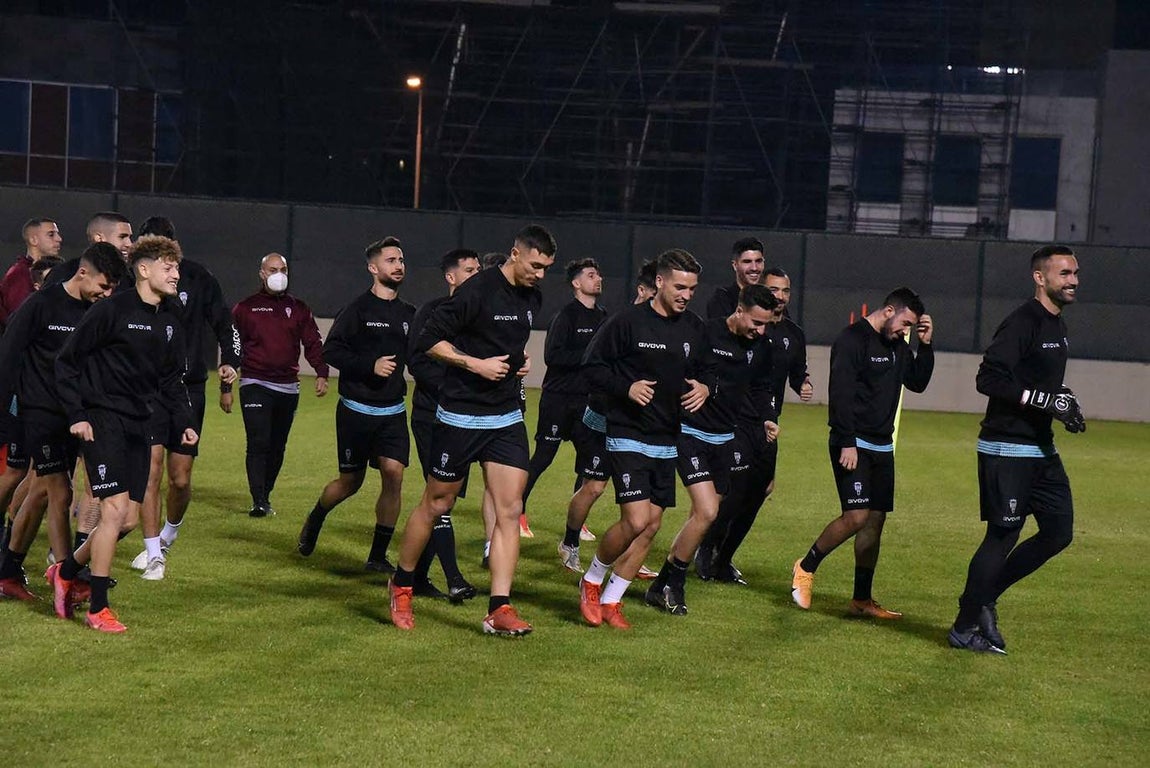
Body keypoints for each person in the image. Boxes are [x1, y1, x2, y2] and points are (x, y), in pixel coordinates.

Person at [388, 225, 556, 636]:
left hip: (505, 418)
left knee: (510, 509)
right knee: (437, 502)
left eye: (546, 268)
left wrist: (518, 361)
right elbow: (428, 340)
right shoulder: (475, 291)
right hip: (461, 415)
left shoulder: (532, 296)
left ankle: (499, 608)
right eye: (535, 265)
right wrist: (474, 364)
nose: (540, 274)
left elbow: (506, 340)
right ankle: (402, 584)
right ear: (515, 254)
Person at [46, 235, 196, 632]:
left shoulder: (169, 319)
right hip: (103, 420)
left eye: (177, 268)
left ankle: (66, 572)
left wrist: (184, 422)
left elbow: (172, 380)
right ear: (144, 270)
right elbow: (66, 362)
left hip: (141, 424)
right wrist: (77, 414)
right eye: (168, 267)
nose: (176, 275)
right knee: (112, 509)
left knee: (127, 519)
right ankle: (97, 607)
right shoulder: (111, 310)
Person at [948, 245, 1084, 655]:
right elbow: (989, 379)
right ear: (1040, 278)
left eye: (1075, 273)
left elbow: (1036, 381)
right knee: (1003, 536)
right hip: (1006, 446)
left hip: (1041, 449)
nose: (1074, 280)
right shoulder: (1023, 321)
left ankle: (985, 596)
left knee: (1058, 532)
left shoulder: (1057, 324)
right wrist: (1045, 400)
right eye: (1065, 274)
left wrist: (1063, 402)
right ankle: (963, 628)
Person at [578, 248, 713, 630]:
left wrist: (706, 387)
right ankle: (591, 580)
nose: (686, 295)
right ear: (659, 281)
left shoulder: (694, 328)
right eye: (680, 287)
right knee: (636, 519)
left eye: (692, 289)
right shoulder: (627, 322)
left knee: (651, 526)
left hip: (667, 437)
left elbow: (709, 370)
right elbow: (591, 368)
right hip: (628, 432)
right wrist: (627, 387)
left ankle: (612, 600)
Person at [790, 288, 934, 619]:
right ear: (889, 311)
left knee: (874, 522)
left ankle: (861, 599)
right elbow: (840, 393)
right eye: (905, 324)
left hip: (883, 446)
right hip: (853, 443)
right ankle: (806, 566)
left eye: (911, 328)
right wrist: (847, 441)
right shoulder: (852, 340)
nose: (906, 331)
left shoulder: (898, 344)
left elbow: (917, 382)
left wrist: (925, 346)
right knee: (856, 516)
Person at [645, 284, 780, 616]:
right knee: (706, 512)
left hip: (724, 438)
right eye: (756, 322)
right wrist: (704, 387)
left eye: (766, 324)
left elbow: (761, 386)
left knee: (703, 516)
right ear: (739, 310)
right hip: (690, 433)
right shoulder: (706, 333)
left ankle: (660, 585)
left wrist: (767, 417)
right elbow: (678, 372)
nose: (761, 331)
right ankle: (675, 584)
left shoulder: (762, 346)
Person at [0, 244, 124, 600]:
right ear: (83, 273)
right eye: (103, 285)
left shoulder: (94, 311)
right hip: (40, 412)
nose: (107, 293)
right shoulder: (41, 305)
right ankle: (67, 575)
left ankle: (8, 571)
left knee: (40, 492)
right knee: (61, 491)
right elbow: (8, 356)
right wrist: (5, 415)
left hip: (74, 414)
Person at [297, 238, 416, 572]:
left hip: (392, 412)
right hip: (356, 412)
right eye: (391, 260)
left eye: (401, 260)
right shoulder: (357, 310)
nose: (398, 265)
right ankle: (316, 517)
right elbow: (331, 351)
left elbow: (422, 356)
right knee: (350, 482)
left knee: (394, 474)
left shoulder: (409, 314)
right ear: (373, 268)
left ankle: (377, 556)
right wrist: (369, 365)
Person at [131, 216, 239, 580]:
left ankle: (167, 535)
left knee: (179, 477)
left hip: (186, 390)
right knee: (150, 471)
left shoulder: (197, 278)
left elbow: (225, 323)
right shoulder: (131, 285)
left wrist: (230, 361)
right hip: (146, 390)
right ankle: (153, 553)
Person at [697, 265, 813, 582]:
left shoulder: (792, 335)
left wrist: (803, 383)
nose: (780, 296)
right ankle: (705, 549)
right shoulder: (749, 330)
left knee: (761, 489)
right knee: (734, 490)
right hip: (735, 421)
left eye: (785, 290)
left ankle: (724, 558)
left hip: (766, 422)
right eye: (773, 289)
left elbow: (793, 373)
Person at [404, 248, 481, 602]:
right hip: (431, 416)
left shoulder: (481, 315)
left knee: (444, 500)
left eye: (478, 270)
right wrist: (456, 385)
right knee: (439, 499)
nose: (476, 275)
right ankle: (454, 578)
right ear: (451, 277)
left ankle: (417, 577)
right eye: (469, 270)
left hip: (465, 420)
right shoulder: (431, 312)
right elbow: (417, 361)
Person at [231, 253, 328, 517]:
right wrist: (226, 387)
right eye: (272, 269)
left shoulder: (299, 308)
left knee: (277, 446)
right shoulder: (245, 308)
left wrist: (321, 371)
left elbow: (312, 341)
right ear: (261, 274)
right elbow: (232, 346)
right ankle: (258, 500)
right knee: (258, 441)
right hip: (255, 382)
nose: (278, 274)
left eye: (283, 269)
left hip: (287, 387)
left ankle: (265, 495)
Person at [519, 258, 607, 539]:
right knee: (543, 457)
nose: (598, 279)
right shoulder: (566, 316)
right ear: (576, 283)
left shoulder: (604, 318)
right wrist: (590, 357)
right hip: (559, 400)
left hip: (588, 403)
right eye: (591, 275)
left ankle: (576, 523)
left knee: (587, 463)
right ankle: (518, 513)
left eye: (598, 275)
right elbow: (553, 356)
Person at [0, 218, 63, 332]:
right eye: (51, 234)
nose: (59, 239)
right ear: (34, 240)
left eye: (57, 234)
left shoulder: (58, 270)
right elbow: (20, 322)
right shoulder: (19, 274)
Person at [704, 237, 764, 318]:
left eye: (758, 261)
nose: (754, 268)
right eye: (747, 262)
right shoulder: (721, 301)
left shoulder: (768, 299)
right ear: (735, 265)